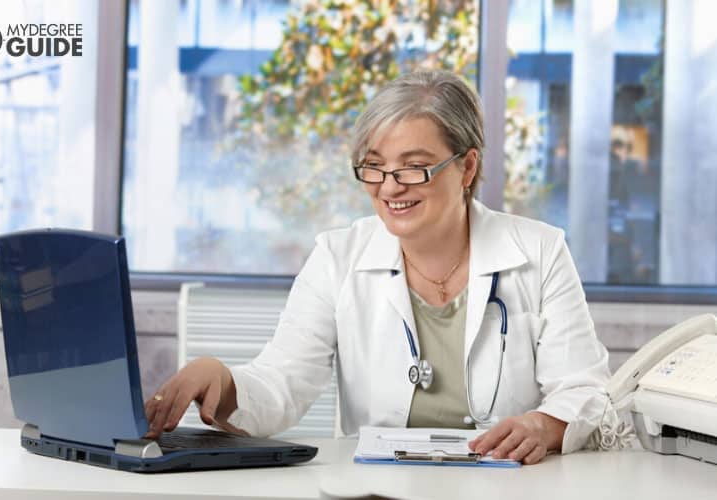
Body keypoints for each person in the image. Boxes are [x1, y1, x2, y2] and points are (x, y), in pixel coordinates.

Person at [145, 70, 611, 465]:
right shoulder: (337, 256)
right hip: (379, 487)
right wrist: (222, 379)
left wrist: (542, 425)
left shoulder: (541, 251)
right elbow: (282, 384)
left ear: (467, 168)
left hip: (507, 486)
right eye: (373, 166)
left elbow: (584, 388)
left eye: (414, 167)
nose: (389, 187)